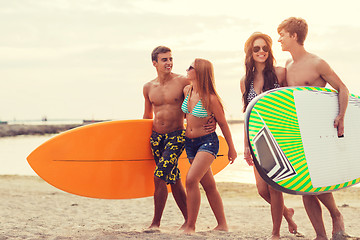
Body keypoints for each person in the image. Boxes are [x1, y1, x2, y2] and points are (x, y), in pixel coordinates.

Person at [278, 17, 350, 240]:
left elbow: (342, 88)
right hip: (296, 131)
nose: (278, 39)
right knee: (302, 186)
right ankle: (320, 235)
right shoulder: (288, 66)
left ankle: (336, 215)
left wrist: (341, 116)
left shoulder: (317, 62)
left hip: (318, 131)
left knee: (315, 181)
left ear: (294, 36)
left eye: (282, 34)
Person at [143, 46, 215, 230]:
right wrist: (142, 139)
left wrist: (211, 120)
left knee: (159, 177)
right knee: (173, 179)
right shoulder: (148, 87)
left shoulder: (183, 82)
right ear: (154, 63)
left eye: (170, 59)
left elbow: (203, 97)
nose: (169, 63)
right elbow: (146, 116)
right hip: (156, 138)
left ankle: (155, 223)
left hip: (176, 136)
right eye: (164, 60)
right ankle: (188, 221)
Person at [240, 32, 298, 240]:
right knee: (262, 190)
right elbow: (247, 114)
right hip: (257, 140)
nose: (261, 51)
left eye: (265, 48)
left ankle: (275, 233)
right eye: (256, 48)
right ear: (250, 52)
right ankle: (288, 215)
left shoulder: (281, 73)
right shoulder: (245, 81)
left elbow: (292, 103)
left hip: (278, 138)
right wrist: (245, 145)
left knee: (274, 189)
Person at [181, 58, 237, 234]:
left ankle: (190, 225)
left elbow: (223, 124)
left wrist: (232, 149)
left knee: (191, 180)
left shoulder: (211, 99)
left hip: (208, 142)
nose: (187, 69)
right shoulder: (187, 90)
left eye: (191, 67)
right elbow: (187, 116)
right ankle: (222, 225)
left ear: (200, 72)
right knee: (209, 185)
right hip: (189, 144)